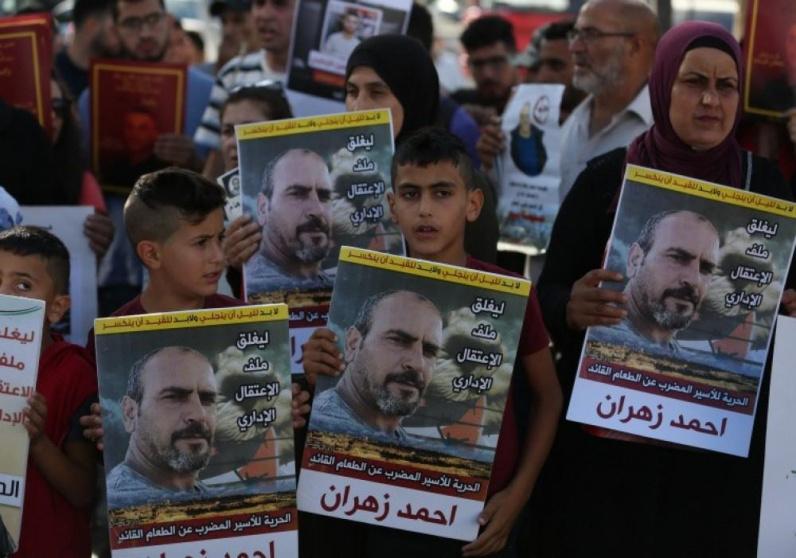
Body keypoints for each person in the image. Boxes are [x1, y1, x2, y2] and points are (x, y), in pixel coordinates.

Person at [536, 21, 796, 556]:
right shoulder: (606, 179)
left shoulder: (765, 186)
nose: (711, 100)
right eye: (693, 82)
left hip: (716, 458)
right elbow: (549, 290)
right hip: (608, 453)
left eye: (726, 86)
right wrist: (570, 306)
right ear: (661, 84)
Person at [302, 127, 562, 558]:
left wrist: (519, 494)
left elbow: (549, 398)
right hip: (376, 513)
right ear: (392, 205)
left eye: (442, 193)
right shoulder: (357, 287)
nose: (425, 209)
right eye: (410, 194)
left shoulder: (508, 293)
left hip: (480, 522)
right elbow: (338, 388)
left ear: (472, 204)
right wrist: (318, 368)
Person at [80, 168, 312, 447]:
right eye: (201, 243)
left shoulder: (248, 325)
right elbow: (103, 447)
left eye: (220, 238)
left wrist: (287, 414)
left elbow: (267, 431)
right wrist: (105, 431)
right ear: (151, 253)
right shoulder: (109, 343)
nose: (218, 256)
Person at [78, 0, 214, 314]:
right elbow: (80, 179)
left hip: (190, 268)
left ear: (168, 20)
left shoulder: (209, 92)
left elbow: (226, 182)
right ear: (115, 30)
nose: (145, 33)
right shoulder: (92, 99)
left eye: (153, 20)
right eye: (132, 24)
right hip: (117, 269)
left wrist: (195, 162)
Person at [0, 226, 98, 557]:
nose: (3, 294)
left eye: (22, 285)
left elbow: (83, 491)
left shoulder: (75, 373)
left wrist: (38, 441)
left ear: (56, 308)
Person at [313, 290, 442, 438]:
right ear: (353, 344)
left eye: (429, 351)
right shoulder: (320, 431)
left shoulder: (395, 438)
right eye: (398, 341)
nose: (418, 364)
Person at [106, 346, 217, 506]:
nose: (200, 415)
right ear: (130, 413)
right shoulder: (122, 505)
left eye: (207, 399)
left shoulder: (209, 499)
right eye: (174, 397)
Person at [193, 0, 296, 170]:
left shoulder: (334, 78)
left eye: (279, 4)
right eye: (259, 4)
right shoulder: (232, 73)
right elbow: (216, 165)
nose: (265, 15)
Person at [613, 210, 720, 350]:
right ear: (635, 260)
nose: (694, 280)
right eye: (677, 258)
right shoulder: (593, 332)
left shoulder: (684, 359)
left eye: (706, 268)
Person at [246, 149, 334, 294]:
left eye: (324, 196)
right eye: (298, 194)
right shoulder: (255, 291)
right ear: (263, 208)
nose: (318, 210)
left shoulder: (335, 287)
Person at [452, 15, 518, 126]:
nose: (487, 74)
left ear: (516, 57)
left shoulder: (539, 104)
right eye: (478, 64)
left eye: (496, 62)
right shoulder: (458, 104)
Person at [54, 0, 120, 98]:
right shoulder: (54, 72)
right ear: (91, 26)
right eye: (113, 28)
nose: (119, 33)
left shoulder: (116, 68)